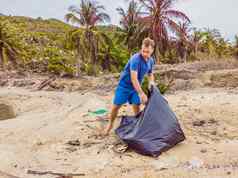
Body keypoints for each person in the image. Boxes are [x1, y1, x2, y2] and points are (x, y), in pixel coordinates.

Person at [103, 37, 156, 136]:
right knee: (116, 107)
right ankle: (110, 124)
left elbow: (150, 73)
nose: (145, 54)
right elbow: (134, 79)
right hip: (124, 86)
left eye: (147, 52)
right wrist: (141, 94)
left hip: (136, 88)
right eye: (143, 51)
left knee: (137, 105)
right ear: (141, 47)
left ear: (152, 50)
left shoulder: (151, 61)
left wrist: (151, 83)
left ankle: (138, 125)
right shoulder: (135, 59)